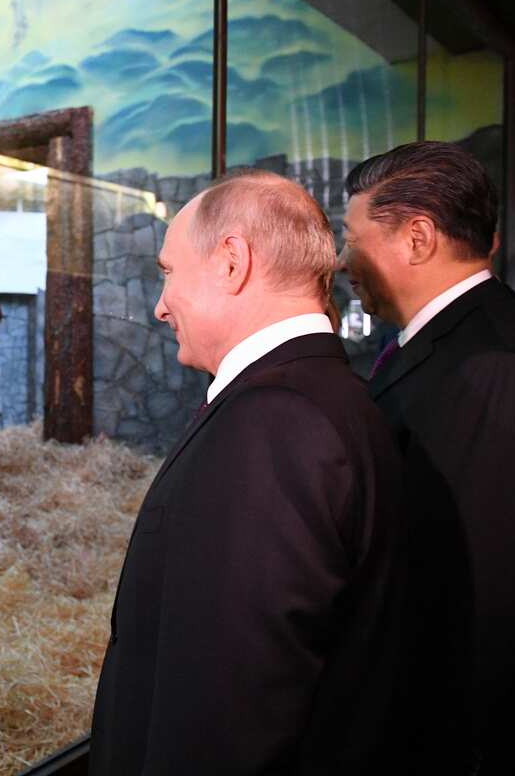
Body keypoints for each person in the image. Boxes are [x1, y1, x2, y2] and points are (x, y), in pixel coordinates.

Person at [89, 170, 406, 775]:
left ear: (231, 262)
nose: (160, 305)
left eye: (169, 272)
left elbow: (233, 710)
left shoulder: (276, 424)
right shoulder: (329, 397)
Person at [339, 141, 515, 775]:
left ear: (417, 238)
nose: (341, 260)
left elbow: (482, 595)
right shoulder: (458, 341)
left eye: (352, 237)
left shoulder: (489, 368)